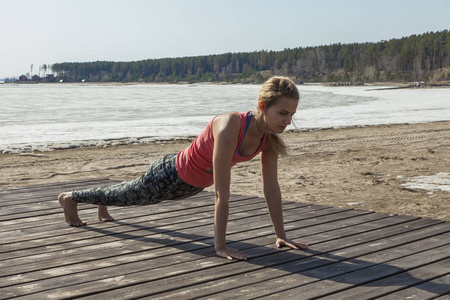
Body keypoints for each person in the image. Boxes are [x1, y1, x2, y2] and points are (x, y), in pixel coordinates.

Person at [58, 76, 308, 261]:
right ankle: (70, 198)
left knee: (126, 195)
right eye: (283, 113)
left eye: (292, 114)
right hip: (169, 175)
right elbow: (222, 193)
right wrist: (220, 247)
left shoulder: (270, 139)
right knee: (127, 195)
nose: (287, 121)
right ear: (263, 106)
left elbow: (272, 189)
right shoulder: (230, 125)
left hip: (191, 187)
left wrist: (281, 235)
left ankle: (105, 200)